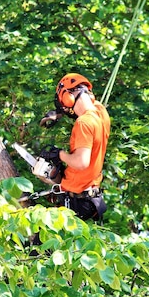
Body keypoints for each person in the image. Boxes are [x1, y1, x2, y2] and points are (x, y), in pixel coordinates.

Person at [40, 73, 110, 221]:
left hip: (76, 203)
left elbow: (81, 162)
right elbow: (91, 103)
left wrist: (59, 154)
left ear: (68, 96)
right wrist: (59, 112)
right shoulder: (101, 114)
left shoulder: (83, 122)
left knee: (39, 241)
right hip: (90, 199)